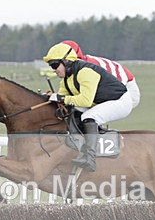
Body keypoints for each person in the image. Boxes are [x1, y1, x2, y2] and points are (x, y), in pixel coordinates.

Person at [42, 42, 134, 172]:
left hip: (120, 101)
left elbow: (85, 100)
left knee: (89, 116)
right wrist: (48, 97)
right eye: (51, 66)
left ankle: (89, 158)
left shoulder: (85, 72)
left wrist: (61, 98)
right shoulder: (67, 79)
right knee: (71, 111)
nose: (54, 69)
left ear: (66, 62)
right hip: (100, 102)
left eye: (55, 65)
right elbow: (62, 98)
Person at [60, 40, 141, 110]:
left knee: (90, 110)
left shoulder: (87, 68)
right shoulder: (77, 66)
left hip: (127, 87)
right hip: (114, 86)